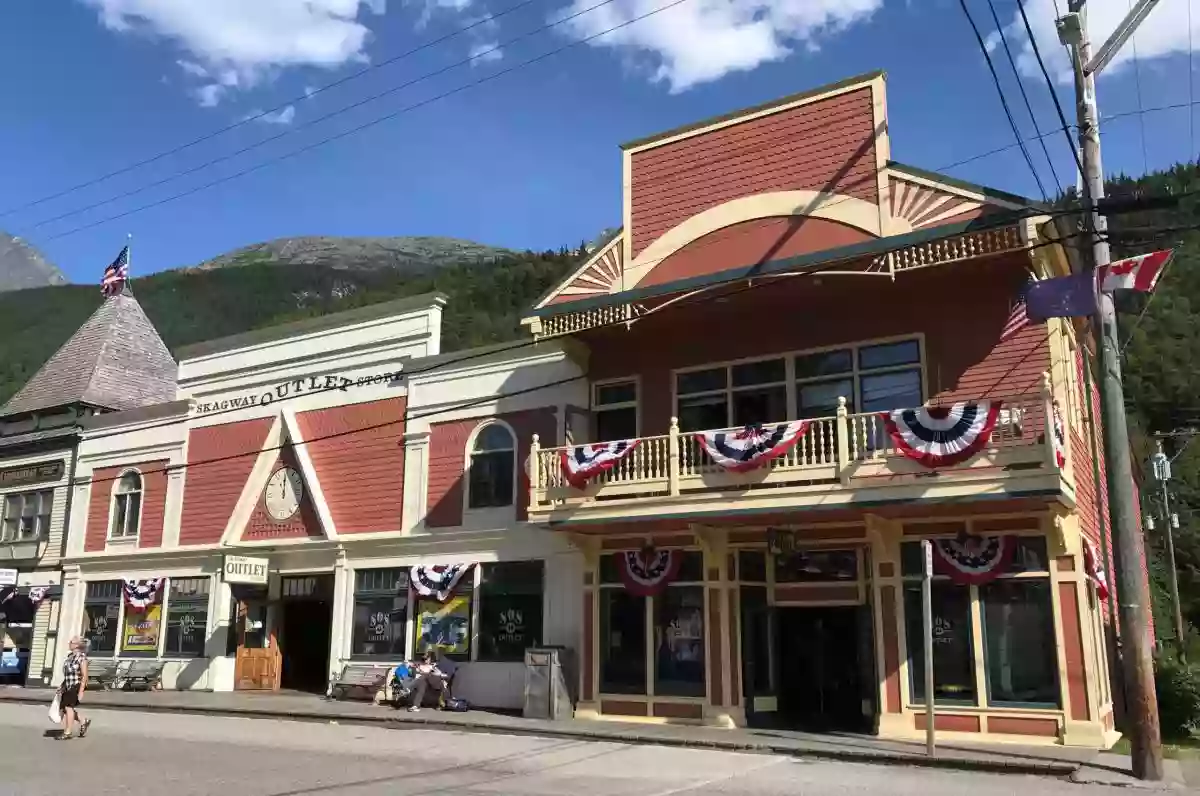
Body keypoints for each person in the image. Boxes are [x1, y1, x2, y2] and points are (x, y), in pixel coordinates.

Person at [58, 637, 91, 740]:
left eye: (71, 642)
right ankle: (83, 721)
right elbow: (68, 674)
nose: (69, 643)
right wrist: (62, 686)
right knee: (64, 708)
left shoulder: (82, 658)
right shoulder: (70, 657)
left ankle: (67, 732)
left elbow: (85, 675)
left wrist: (81, 691)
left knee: (68, 707)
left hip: (76, 685)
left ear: (77, 645)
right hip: (68, 684)